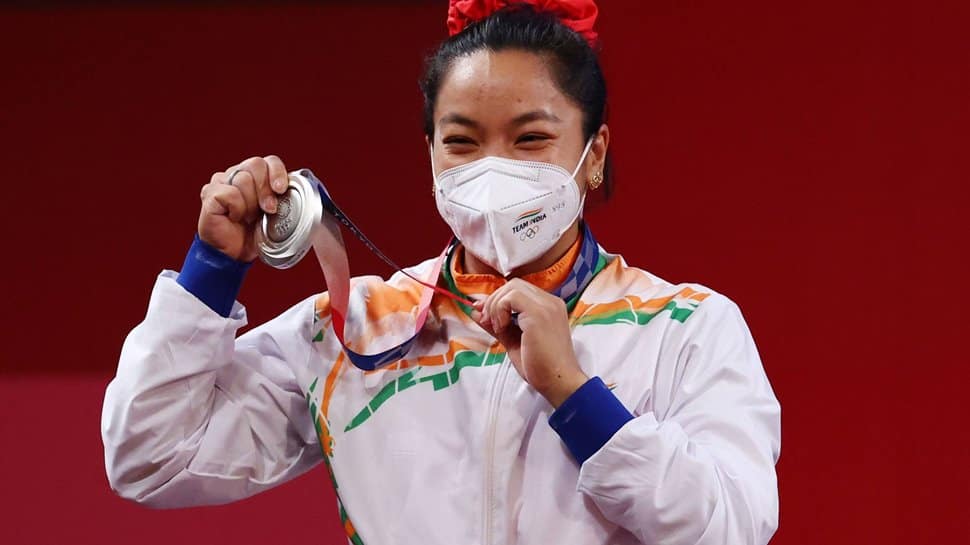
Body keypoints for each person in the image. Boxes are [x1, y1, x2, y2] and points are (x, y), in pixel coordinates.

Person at [101, 2, 781, 544]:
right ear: (429, 152)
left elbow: (730, 525)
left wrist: (573, 393)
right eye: (461, 141)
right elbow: (150, 457)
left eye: (531, 138)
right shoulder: (355, 330)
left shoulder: (685, 325)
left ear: (594, 152)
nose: (493, 167)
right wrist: (213, 268)